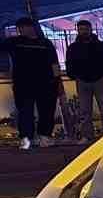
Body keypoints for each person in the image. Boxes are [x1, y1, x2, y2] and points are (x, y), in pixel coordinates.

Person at [3, 17, 61, 151]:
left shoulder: (45, 43)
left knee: (46, 111)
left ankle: (44, 136)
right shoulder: (14, 42)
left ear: (31, 27)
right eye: (19, 29)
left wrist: (57, 80)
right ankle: (26, 139)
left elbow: (54, 63)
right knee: (25, 112)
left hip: (45, 83)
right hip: (23, 84)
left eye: (22, 28)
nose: (20, 31)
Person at [64, 19, 103, 141]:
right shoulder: (73, 48)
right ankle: (88, 136)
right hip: (82, 81)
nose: (83, 32)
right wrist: (73, 75)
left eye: (85, 29)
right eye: (80, 29)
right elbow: (69, 63)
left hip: (98, 79)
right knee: (85, 111)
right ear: (77, 31)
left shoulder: (100, 46)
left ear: (90, 30)